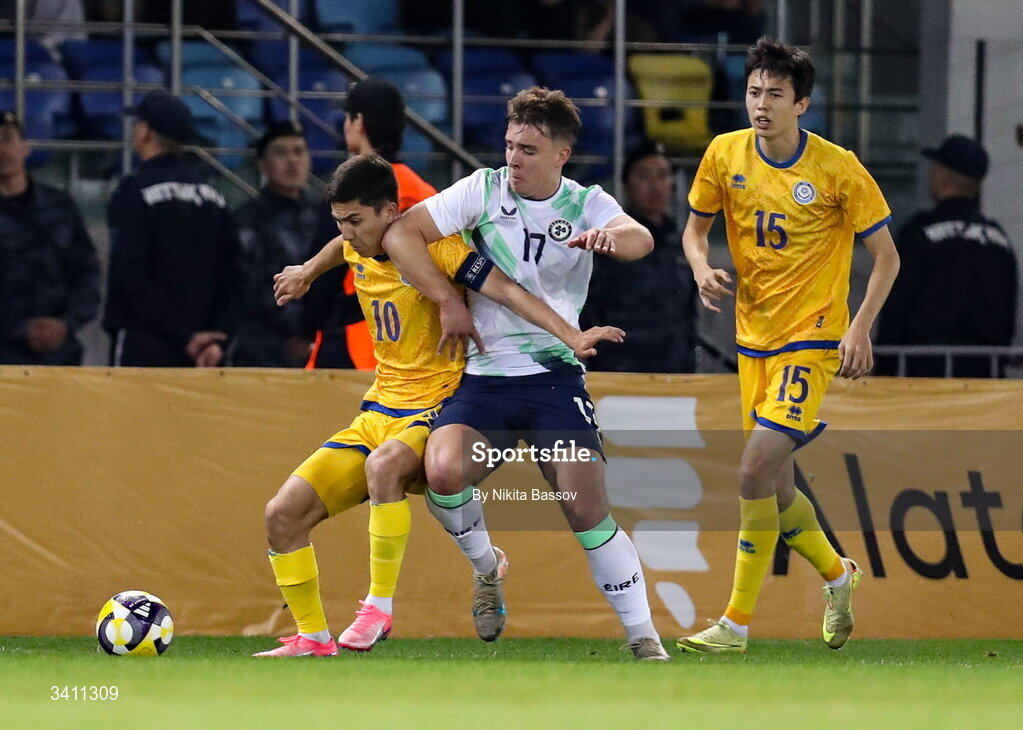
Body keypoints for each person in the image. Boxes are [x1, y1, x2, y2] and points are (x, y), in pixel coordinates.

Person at [256, 154, 623, 656]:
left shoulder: (443, 249)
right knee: (281, 514)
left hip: (440, 406)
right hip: (378, 410)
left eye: (356, 221)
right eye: (339, 221)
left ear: (391, 211)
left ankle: (378, 609)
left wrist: (570, 334)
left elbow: (509, 292)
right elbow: (343, 248)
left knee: (384, 469)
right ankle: (314, 638)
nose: (347, 233)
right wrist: (308, 271)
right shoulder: (358, 242)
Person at [381, 87, 671, 660]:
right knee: (441, 472)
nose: (513, 159)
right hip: (485, 377)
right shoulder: (483, 190)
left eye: (529, 150)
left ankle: (644, 638)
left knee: (585, 508)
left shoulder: (584, 202)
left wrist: (615, 238)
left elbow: (643, 238)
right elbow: (399, 234)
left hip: (554, 378)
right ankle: (488, 566)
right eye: (511, 145)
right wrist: (447, 299)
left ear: (562, 154)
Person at [677, 37, 900, 654]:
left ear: (802, 103)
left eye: (776, 94)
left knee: (750, 471)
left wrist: (858, 327)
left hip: (814, 338)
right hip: (754, 342)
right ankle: (838, 574)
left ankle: (735, 624)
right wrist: (700, 269)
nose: (761, 104)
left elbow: (886, 256)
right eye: (753, 92)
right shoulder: (724, 154)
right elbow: (694, 232)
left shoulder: (836, 168)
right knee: (775, 488)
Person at [304, 77, 438, 370]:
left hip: (357, 340)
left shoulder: (348, 189)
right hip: (416, 344)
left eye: (348, 117)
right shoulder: (427, 193)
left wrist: (308, 325)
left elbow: (323, 279)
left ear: (359, 122)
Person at [103, 91, 239, 367]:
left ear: (146, 132)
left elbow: (130, 274)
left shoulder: (135, 192)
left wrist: (181, 336)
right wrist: (215, 338)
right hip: (204, 351)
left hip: (145, 344)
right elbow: (235, 276)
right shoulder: (214, 197)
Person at [876, 135, 1016, 377]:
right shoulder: (1000, 242)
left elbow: (895, 308)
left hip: (921, 376)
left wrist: (884, 368)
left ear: (942, 176)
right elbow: (1007, 317)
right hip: (986, 379)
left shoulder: (919, 232)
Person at [581, 140, 697, 373]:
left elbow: (690, 314)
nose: (655, 186)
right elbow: (589, 308)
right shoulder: (610, 240)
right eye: (644, 176)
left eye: (663, 176)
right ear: (626, 184)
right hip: (620, 370)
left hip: (675, 372)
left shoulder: (683, 244)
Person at [0, 110, 100, 365]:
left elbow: (87, 273)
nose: (3, 149)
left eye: (8, 138)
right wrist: (21, 330)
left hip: (59, 357)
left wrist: (66, 325)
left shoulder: (60, 206)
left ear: (25, 148)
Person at [231, 122, 334, 367]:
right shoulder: (248, 219)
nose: (292, 161)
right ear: (263, 164)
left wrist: (313, 334)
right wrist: (294, 336)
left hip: (319, 338)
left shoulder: (325, 217)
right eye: (281, 153)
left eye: (299, 152)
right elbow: (251, 289)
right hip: (266, 344)